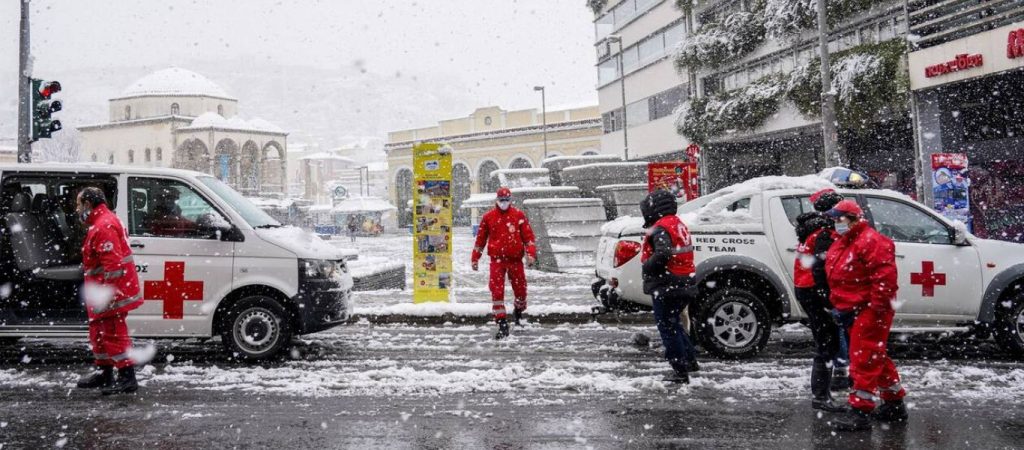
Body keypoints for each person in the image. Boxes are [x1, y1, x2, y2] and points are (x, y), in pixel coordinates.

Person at [824, 199, 907, 431]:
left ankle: (860, 410)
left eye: (839, 218)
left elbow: (884, 278)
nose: (835, 223)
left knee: (863, 358)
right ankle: (894, 403)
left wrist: (877, 308)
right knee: (874, 355)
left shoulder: (869, 241)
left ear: (852, 219)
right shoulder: (846, 241)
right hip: (856, 308)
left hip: (870, 309)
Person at [75, 187, 144, 395]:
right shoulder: (101, 222)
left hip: (109, 293)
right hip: (102, 292)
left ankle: (127, 377)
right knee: (99, 333)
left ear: (88, 204)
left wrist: (108, 295)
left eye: (79, 204)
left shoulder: (103, 226)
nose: (77, 209)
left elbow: (113, 267)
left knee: (113, 334)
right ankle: (105, 373)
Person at [792, 188, 845, 411]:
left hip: (805, 289)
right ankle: (821, 396)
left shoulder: (812, 228)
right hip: (814, 291)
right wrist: (827, 298)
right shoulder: (824, 232)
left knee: (826, 341)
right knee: (826, 343)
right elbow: (821, 268)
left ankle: (823, 393)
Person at [639, 189, 698, 384]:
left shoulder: (661, 227)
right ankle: (690, 360)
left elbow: (663, 254)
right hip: (684, 280)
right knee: (674, 322)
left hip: (668, 284)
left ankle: (679, 370)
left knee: (667, 327)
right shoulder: (677, 223)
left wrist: (647, 266)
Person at [471, 187, 537, 339]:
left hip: (515, 260)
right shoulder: (488, 217)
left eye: (507, 200)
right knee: (497, 291)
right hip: (497, 261)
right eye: (501, 200)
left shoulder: (518, 215)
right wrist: (475, 258)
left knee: (521, 289)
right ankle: (502, 323)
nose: (504, 203)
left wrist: (530, 254)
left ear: (510, 200)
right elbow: (480, 240)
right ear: (497, 200)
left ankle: (519, 311)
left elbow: (528, 238)